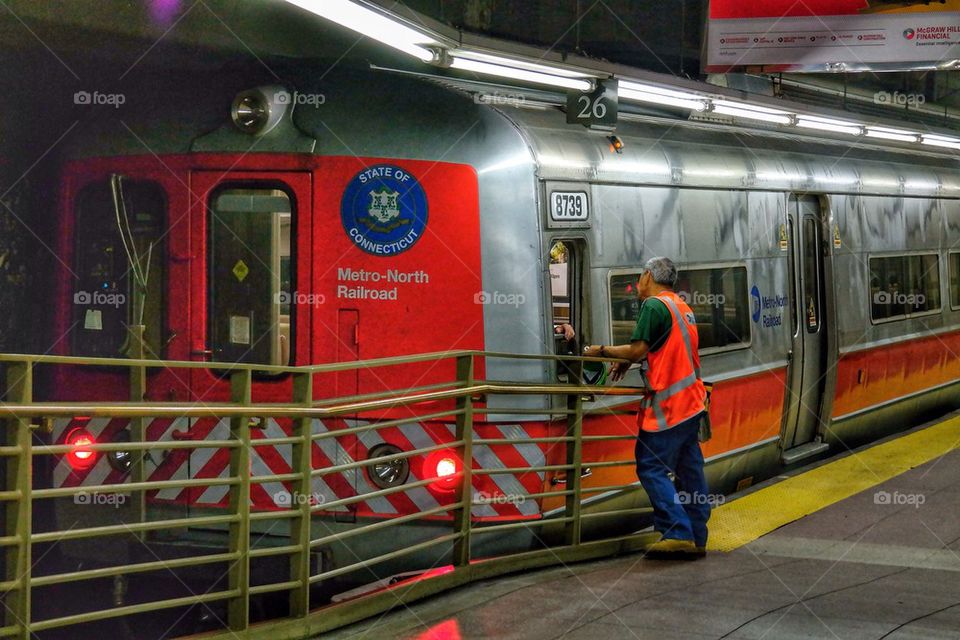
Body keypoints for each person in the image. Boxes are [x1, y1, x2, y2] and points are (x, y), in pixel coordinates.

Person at [584, 256, 710, 558]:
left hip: (669, 407)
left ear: (648, 276)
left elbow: (640, 348)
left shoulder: (654, 306)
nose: (637, 285)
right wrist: (628, 359)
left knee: (650, 465)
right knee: (689, 470)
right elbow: (662, 348)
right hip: (693, 402)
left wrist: (599, 351)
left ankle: (677, 532)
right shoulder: (681, 306)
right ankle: (697, 533)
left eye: (640, 277)